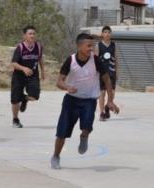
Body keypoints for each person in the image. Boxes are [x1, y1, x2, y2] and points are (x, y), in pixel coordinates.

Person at [51, 33, 119, 170]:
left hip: (89, 100)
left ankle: (84, 136)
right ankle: (56, 156)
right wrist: (67, 87)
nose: (91, 49)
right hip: (71, 100)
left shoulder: (95, 60)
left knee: (87, 127)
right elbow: (59, 82)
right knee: (62, 132)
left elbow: (107, 79)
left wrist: (110, 100)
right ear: (79, 46)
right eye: (88, 46)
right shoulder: (70, 61)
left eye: (92, 46)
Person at [11, 25, 45, 128]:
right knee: (15, 100)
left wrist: (43, 71)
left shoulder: (38, 46)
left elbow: (40, 59)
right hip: (19, 75)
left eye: (34, 33)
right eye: (30, 33)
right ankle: (15, 119)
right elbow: (13, 63)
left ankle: (25, 99)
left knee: (35, 96)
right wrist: (23, 68)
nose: (32, 35)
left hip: (33, 75)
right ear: (25, 35)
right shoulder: (20, 47)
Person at [96, 26, 117, 121]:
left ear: (111, 34)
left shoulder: (113, 45)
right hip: (102, 74)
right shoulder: (99, 45)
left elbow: (116, 59)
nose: (107, 34)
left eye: (109, 32)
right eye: (105, 32)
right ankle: (101, 113)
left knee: (111, 93)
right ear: (102, 34)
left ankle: (108, 106)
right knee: (102, 93)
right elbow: (95, 60)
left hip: (112, 73)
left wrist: (117, 72)